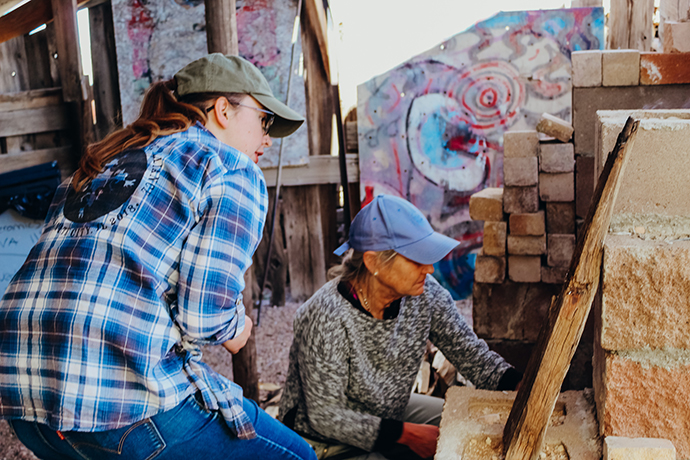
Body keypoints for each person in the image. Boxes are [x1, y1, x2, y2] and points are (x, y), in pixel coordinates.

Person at [0, 54, 316, 460]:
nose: (268, 139)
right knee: (298, 457)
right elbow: (205, 317)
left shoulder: (105, 161)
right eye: (264, 121)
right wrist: (238, 328)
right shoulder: (229, 167)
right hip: (120, 406)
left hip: (25, 403)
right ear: (223, 110)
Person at [278, 194, 522, 460]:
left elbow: (473, 356)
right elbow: (326, 416)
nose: (429, 269)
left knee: (462, 421)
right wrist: (408, 435)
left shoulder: (426, 295)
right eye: (417, 260)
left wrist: (518, 385)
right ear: (373, 263)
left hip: (386, 412)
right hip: (322, 440)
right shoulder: (326, 315)